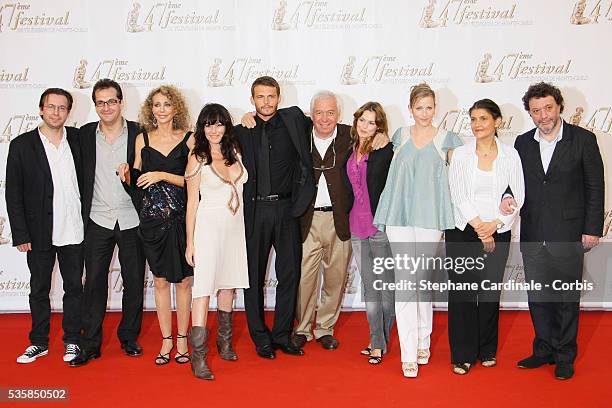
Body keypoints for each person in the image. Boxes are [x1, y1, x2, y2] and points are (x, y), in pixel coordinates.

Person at [241, 91, 389, 351]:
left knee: (335, 278)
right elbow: (268, 118)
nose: (324, 118)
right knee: (304, 279)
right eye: (318, 112)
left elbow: (373, 136)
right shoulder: (298, 131)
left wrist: (381, 135)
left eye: (330, 112)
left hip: (339, 218)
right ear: (311, 115)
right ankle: (301, 328)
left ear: (338, 114)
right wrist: (248, 115)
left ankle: (324, 328)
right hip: (306, 218)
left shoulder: (350, 135)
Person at [501, 82, 604, 380]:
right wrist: (507, 196)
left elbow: (595, 187)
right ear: (530, 114)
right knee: (539, 297)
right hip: (533, 232)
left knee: (566, 299)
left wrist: (592, 229)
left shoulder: (583, 140)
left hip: (570, 233)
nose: (543, 116)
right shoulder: (521, 143)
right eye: (536, 111)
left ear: (559, 106)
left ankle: (564, 355)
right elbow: (512, 181)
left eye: (548, 108)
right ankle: (543, 349)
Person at [373, 83, 463, 378]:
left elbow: (464, 176)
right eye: (419, 107)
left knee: (420, 279)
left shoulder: (449, 139)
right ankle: (408, 353)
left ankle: (423, 337)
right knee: (405, 281)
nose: (424, 113)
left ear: (435, 108)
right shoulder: (399, 136)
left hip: (430, 217)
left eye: (429, 107)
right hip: (399, 215)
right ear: (410, 109)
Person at [234, 76, 315, 359]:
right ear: (252, 100)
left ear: (279, 97)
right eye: (260, 97)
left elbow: (325, 124)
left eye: (271, 96)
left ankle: (282, 334)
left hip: (286, 210)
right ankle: (260, 337)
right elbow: (207, 139)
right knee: (253, 277)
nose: (266, 102)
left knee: (289, 273)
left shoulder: (294, 120)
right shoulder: (241, 130)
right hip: (254, 212)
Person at [70, 79, 146, 367]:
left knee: (134, 282)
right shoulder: (84, 135)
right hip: (98, 219)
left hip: (132, 219)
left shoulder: (139, 133)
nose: (106, 107)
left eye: (111, 101)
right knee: (94, 284)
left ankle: (129, 337)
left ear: (121, 102)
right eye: (100, 102)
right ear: (95, 105)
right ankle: (90, 343)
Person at [446, 99, 524, 375]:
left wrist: (497, 224)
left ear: (497, 121)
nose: (477, 125)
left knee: (489, 292)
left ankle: (487, 349)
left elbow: (517, 195)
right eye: (473, 119)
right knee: (462, 293)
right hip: (463, 230)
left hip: (498, 230)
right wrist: (480, 227)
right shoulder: (461, 155)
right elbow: (458, 194)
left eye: (483, 119)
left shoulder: (510, 156)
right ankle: (463, 354)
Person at [6, 88, 84, 364]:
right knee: (39, 289)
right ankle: (39, 342)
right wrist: (20, 233)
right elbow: (13, 193)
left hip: (74, 228)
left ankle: (73, 340)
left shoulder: (77, 139)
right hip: (38, 233)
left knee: (74, 288)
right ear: (41, 109)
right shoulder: (21, 145)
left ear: (68, 112)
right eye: (51, 107)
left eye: (62, 108)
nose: (56, 112)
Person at [121, 85, 194, 366]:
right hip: (152, 221)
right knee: (161, 282)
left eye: (166, 104)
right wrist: (126, 174)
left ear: (176, 108)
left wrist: (162, 174)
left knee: (185, 282)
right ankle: (166, 341)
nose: (161, 110)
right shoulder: (142, 139)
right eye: (156, 105)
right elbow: (138, 180)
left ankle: (183, 340)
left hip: (181, 219)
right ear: (150, 109)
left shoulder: (189, 139)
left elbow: (194, 182)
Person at [184, 103, 249, 380]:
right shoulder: (196, 158)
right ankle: (198, 356)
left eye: (219, 123)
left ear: (226, 126)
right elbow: (191, 204)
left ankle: (224, 341)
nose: (214, 129)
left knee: (228, 285)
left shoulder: (235, 153)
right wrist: (190, 242)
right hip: (208, 228)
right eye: (209, 124)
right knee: (202, 290)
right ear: (202, 127)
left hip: (234, 228)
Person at [342, 102, 394, 367]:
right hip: (355, 226)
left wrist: (387, 140)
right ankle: (378, 341)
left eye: (371, 123)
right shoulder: (349, 148)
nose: (365, 126)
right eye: (362, 120)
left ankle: (378, 342)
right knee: (370, 287)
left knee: (385, 287)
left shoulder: (385, 149)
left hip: (379, 228)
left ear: (379, 127)